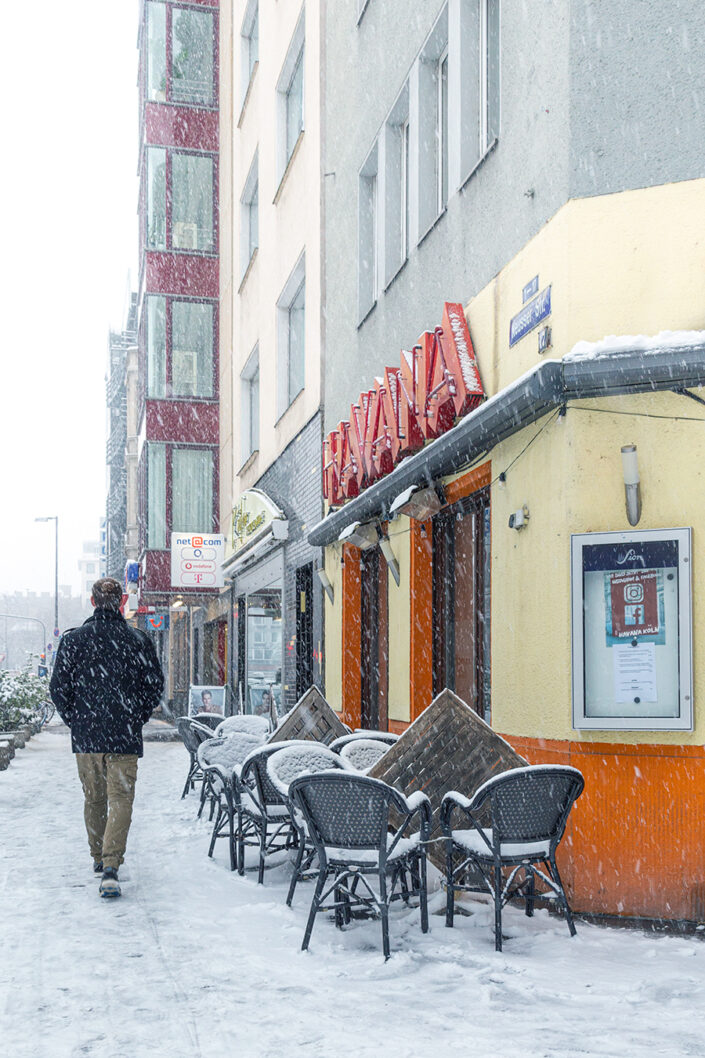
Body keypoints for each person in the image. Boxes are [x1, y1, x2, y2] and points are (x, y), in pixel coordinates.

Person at [49, 577, 164, 899]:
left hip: (87, 737)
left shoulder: (74, 640)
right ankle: (112, 864)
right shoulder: (137, 640)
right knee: (121, 799)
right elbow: (153, 686)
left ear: (92, 601)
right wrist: (134, 718)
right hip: (124, 736)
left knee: (95, 799)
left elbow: (59, 688)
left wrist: (77, 720)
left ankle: (99, 857)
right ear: (122, 601)